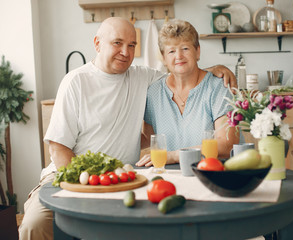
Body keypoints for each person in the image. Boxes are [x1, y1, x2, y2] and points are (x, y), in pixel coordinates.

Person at [18, 17, 237, 239]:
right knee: (34, 225)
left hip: (123, 178)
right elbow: (58, 149)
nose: (125, 51)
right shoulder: (75, 82)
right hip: (71, 176)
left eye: (132, 45)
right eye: (117, 43)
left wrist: (215, 69)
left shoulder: (143, 78)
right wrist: (86, 186)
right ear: (97, 44)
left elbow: (182, 71)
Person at [136, 19, 239, 167]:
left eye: (185, 48)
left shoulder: (219, 87)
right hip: (171, 177)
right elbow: (148, 138)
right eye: (171, 51)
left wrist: (175, 155)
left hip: (214, 174)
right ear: (164, 58)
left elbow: (226, 145)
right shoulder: (153, 93)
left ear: (197, 51)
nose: (179, 56)